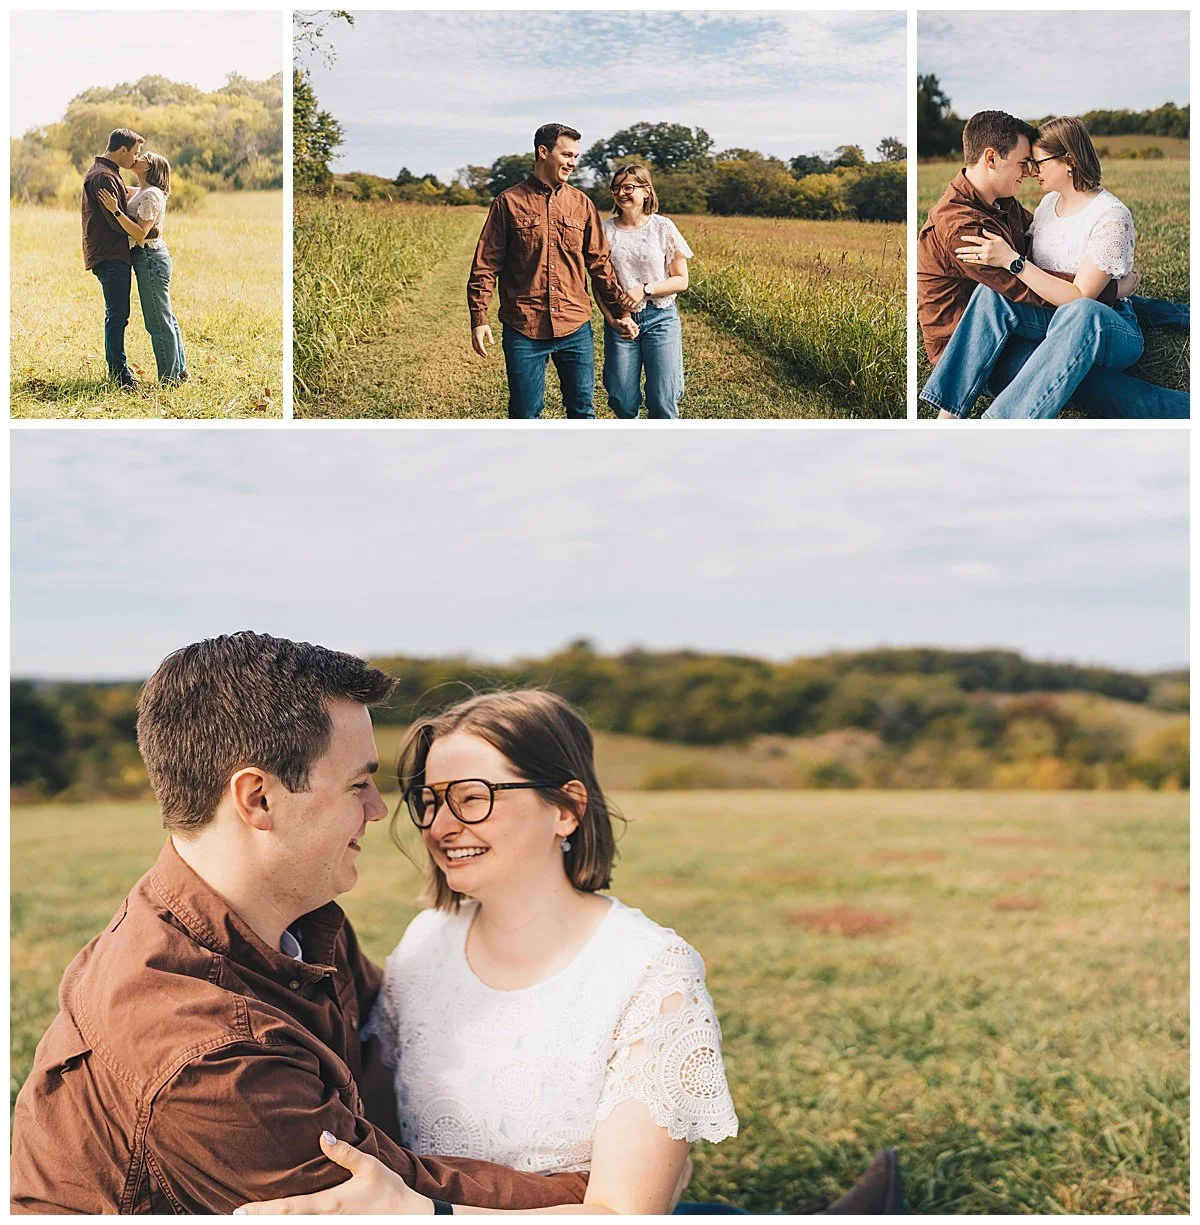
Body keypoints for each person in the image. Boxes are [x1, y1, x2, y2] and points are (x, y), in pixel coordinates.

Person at [10, 633, 903, 1216]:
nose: (396, 816)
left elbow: (373, 1084)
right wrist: (607, 1199)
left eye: (461, 795)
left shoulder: (298, 919)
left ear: (567, 808)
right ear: (259, 799)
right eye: (370, 784)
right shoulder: (203, 1056)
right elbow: (384, 1191)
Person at [916, 110, 1188, 419]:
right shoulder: (962, 226)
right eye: (1023, 162)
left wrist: (1099, 288)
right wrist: (1112, 289)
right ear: (991, 159)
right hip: (980, 346)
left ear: (1069, 161)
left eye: (1036, 163)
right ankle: (951, 416)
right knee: (1088, 381)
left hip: (1028, 323)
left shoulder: (1004, 202)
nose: (1029, 172)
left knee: (1083, 314)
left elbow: (1043, 263)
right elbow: (1024, 289)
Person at [467, 123, 640, 419]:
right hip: (524, 327)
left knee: (583, 411)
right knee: (525, 413)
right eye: (567, 155)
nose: (573, 163)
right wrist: (478, 318)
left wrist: (621, 312)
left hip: (575, 326)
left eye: (576, 156)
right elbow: (486, 264)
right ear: (543, 152)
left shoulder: (581, 204)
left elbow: (599, 265)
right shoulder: (508, 202)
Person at [600, 164, 693, 419]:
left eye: (628, 187)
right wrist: (614, 320)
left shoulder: (663, 227)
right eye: (616, 188)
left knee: (663, 398)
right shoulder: (604, 231)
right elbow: (599, 283)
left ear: (646, 192)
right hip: (621, 321)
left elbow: (681, 280)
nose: (621, 193)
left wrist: (645, 289)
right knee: (621, 398)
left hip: (661, 318)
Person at [97, 151, 188, 384]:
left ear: (150, 167)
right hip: (147, 258)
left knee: (157, 320)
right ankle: (180, 371)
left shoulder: (152, 196)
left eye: (144, 156)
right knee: (165, 316)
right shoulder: (141, 191)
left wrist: (115, 209)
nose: (138, 157)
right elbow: (117, 182)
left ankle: (170, 379)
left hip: (150, 258)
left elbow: (139, 232)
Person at [81, 127, 147, 388]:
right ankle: (120, 375)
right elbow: (115, 221)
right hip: (110, 253)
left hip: (113, 253)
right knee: (118, 315)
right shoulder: (103, 177)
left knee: (118, 314)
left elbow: (121, 201)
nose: (135, 159)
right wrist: (148, 230)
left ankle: (118, 371)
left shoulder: (109, 174)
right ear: (122, 150)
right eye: (134, 153)